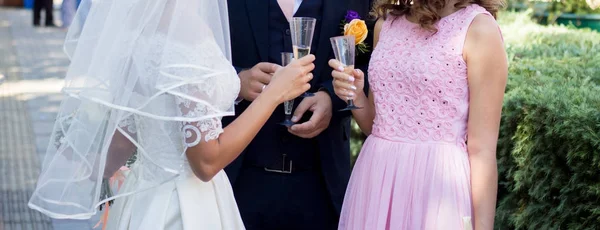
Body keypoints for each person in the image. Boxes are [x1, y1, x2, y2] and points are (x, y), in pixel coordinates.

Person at [27, 0, 315, 229]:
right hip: (185, 208)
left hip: (142, 199)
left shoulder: (138, 26)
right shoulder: (188, 34)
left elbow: (127, 138)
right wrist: (274, 93)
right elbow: (206, 162)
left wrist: (87, 158)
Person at [329, 0, 508, 229]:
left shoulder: (479, 29)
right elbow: (376, 125)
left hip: (437, 190)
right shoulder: (386, 24)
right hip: (378, 182)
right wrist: (353, 94)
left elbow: (482, 150)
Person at [224, 0, 373, 229]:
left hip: (321, 182)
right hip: (237, 181)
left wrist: (331, 97)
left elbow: (376, 63)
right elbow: (189, 51)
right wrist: (235, 82)